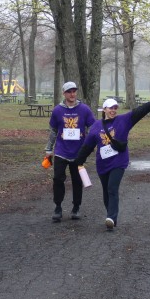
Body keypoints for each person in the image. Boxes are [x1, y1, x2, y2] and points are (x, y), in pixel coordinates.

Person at [76, 94, 150, 231]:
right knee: (106, 191)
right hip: (102, 164)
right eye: (110, 108)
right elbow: (87, 146)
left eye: (115, 108)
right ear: (104, 109)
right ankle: (111, 218)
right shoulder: (96, 126)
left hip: (119, 162)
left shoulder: (123, 120)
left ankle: (111, 217)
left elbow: (137, 113)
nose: (113, 110)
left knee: (112, 188)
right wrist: (79, 161)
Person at [45, 81, 97, 222]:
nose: (72, 94)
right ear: (64, 93)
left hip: (78, 152)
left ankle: (76, 207)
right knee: (57, 179)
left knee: (77, 180)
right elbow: (53, 131)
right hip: (61, 151)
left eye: (74, 91)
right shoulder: (57, 110)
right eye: (69, 92)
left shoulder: (84, 109)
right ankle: (58, 207)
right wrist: (48, 149)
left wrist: (88, 143)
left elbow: (93, 127)